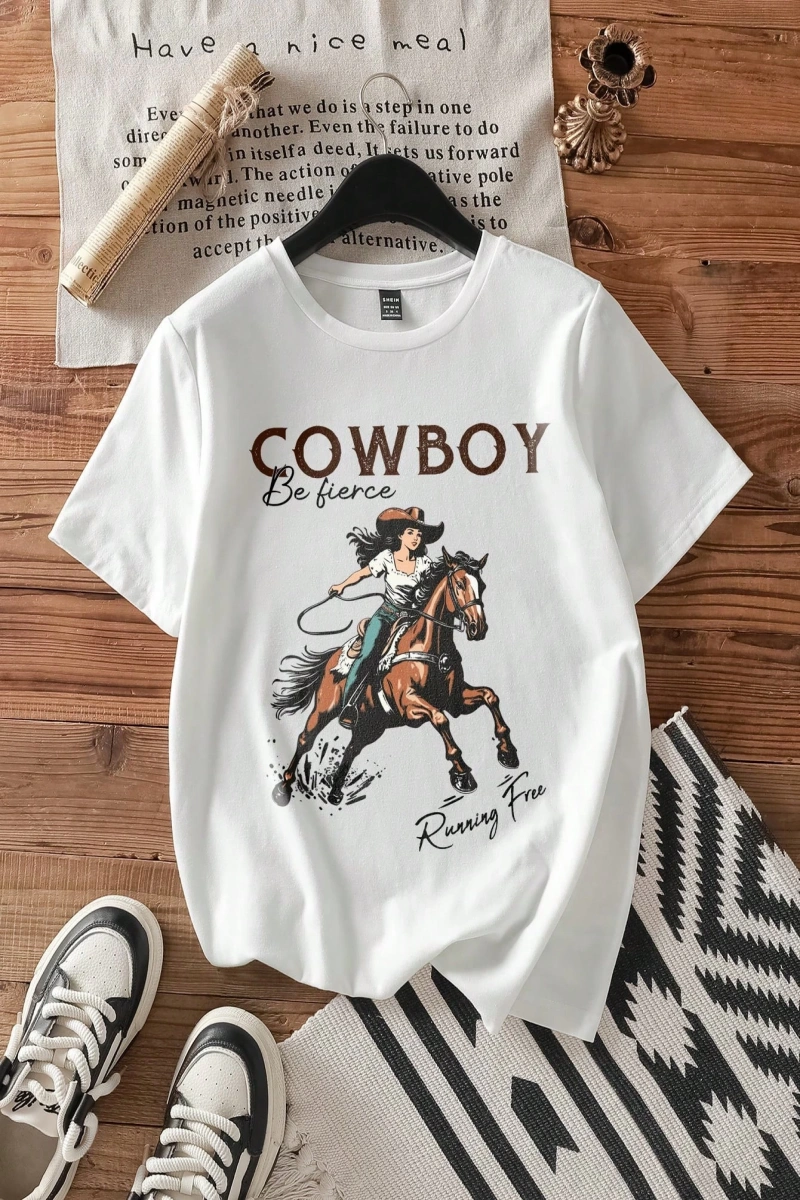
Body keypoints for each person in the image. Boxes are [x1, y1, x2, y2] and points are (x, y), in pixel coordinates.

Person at [330, 506, 444, 728]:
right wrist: (341, 585)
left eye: (419, 534)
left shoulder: (424, 563)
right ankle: (349, 705)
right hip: (386, 615)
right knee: (367, 654)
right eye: (410, 532)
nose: (415, 538)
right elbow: (362, 574)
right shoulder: (387, 558)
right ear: (400, 535)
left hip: (411, 618)